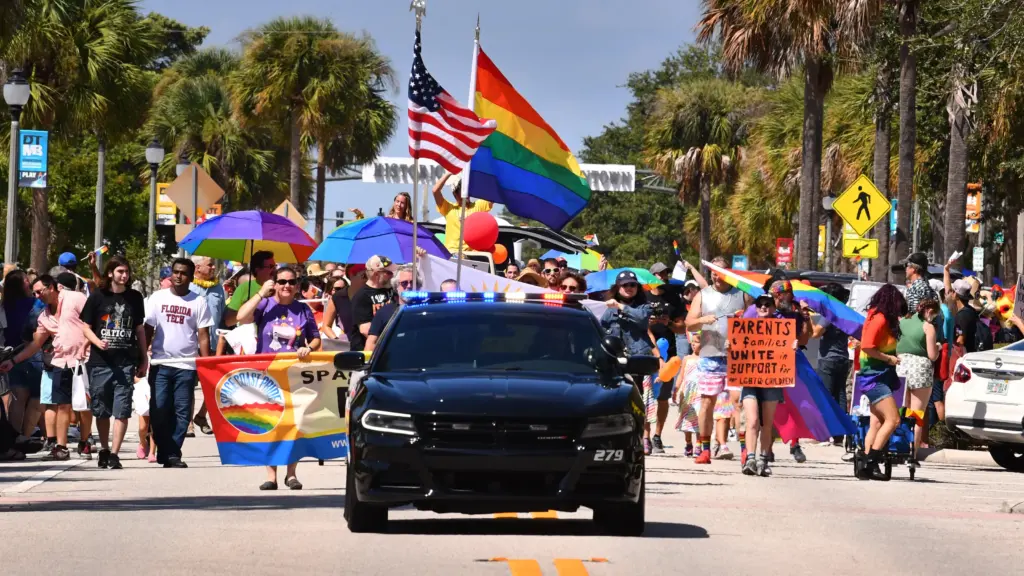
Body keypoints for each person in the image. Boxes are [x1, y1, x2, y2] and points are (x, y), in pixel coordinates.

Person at [237, 266, 321, 490]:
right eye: (282, 281)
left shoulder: (303, 310)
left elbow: (315, 339)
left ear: (297, 285)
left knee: (293, 425)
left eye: (291, 282)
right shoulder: (265, 305)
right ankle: (271, 475)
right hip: (266, 374)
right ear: (274, 283)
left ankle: (291, 474)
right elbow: (240, 317)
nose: (286, 286)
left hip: (293, 374)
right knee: (269, 424)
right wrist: (260, 294)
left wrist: (308, 349)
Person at [1, 274, 93, 460]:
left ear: (52, 287)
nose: (36, 296)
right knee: (62, 405)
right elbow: (35, 344)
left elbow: (93, 322)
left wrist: (89, 343)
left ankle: (84, 441)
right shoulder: (44, 316)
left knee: (84, 405)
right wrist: (13, 361)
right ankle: (61, 447)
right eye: (34, 293)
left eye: (39, 292)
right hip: (60, 361)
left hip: (83, 360)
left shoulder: (75, 298)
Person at [79, 255, 148, 470]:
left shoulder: (135, 298)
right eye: (120, 272)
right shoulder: (98, 297)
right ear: (110, 273)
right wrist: (96, 342)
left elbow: (139, 330)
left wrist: (144, 357)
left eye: (126, 272)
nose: (124, 276)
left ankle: (115, 454)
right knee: (101, 410)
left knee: (122, 409)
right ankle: (104, 448)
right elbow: (85, 326)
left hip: (125, 362)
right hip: (100, 363)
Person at [145, 259, 213, 468]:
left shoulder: (199, 302)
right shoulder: (157, 298)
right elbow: (148, 329)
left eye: (183, 273)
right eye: (175, 272)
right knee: (159, 410)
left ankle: (173, 453)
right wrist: (141, 357)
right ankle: (165, 449)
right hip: (161, 363)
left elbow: (203, 336)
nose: (178, 276)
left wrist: (205, 364)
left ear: (191, 278)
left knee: (182, 412)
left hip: (186, 365)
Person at [685, 257, 747, 464]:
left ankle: (745, 448)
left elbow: (756, 322)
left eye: (719, 271)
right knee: (706, 402)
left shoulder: (742, 295)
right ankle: (704, 449)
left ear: (728, 273)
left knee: (739, 403)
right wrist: (703, 320)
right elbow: (689, 324)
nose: (715, 275)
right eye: (712, 271)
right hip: (710, 355)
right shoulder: (703, 295)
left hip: (736, 357)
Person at [599, 270, 656, 454]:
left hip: (637, 360)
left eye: (633, 285)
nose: (629, 288)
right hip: (614, 361)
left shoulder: (644, 307)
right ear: (618, 287)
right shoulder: (608, 310)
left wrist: (621, 307)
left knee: (637, 401)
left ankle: (641, 437)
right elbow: (602, 329)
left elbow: (641, 320)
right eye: (625, 285)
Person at [856, 284, 907, 481]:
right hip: (874, 376)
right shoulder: (879, 318)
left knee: (876, 422)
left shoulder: (875, 316)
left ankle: (865, 465)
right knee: (893, 420)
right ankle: (871, 462)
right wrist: (889, 359)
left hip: (880, 374)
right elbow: (867, 347)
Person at [741, 294, 795, 477]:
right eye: (760, 305)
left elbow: (789, 355)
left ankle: (763, 459)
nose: (763, 307)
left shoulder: (783, 329)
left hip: (772, 381)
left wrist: (792, 347)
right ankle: (749, 458)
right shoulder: (745, 328)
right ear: (755, 308)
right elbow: (737, 350)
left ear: (773, 308)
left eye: (767, 305)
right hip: (749, 379)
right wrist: (731, 345)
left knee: (767, 424)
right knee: (752, 420)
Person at [896, 298, 940, 468]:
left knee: (901, 410)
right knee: (916, 414)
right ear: (929, 311)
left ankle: (897, 446)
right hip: (920, 368)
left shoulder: (904, 322)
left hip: (901, 366)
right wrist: (938, 347)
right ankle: (911, 454)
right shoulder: (928, 327)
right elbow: (931, 355)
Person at [3, 269, 44, 438]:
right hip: (33, 353)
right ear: (23, 284)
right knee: (38, 397)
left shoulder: (4, 306)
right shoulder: (35, 304)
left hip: (10, 354)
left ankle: (14, 436)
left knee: (18, 398)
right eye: (26, 280)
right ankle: (27, 435)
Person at [189, 255, 226, 436]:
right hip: (190, 345)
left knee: (213, 384)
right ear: (197, 268)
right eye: (209, 265)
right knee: (188, 384)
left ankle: (202, 415)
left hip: (213, 344)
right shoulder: (187, 287)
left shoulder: (218, 288)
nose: (213, 268)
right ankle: (187, 421)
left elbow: (224, 316)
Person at [813, 283, 853, 445]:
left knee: (826, 396)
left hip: (828, 359)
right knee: (840, 395)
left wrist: (809, 319)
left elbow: (816, 333)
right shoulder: (845, 312)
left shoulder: (829, 313)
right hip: (843, 357)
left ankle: (824, 434)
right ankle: (839, 435)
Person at [433, 172, 493, 253]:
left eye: (467, 189)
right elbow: (435, 191)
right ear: (455, 193)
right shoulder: (448, 208)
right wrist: (449, 173)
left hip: (471, 255)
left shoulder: (478, 206)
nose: (466, 193)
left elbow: (492, 193)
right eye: (462, 189)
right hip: (452, 253)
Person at [365, 266, 420, 353]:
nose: (409, 286)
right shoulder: (384, 312)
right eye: (404, 283)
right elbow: (371, 343)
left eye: (413, 283)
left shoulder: (428, 310)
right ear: (396, 286)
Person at [349, 256, 396, 352]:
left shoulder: (392, 291)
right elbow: (365, 330)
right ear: (376, 274)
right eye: (388, 273)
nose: (392, 275)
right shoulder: (361, 296)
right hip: (366, 352)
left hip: (387, 347)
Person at [223, 251, 276, 328]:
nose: (274, 270)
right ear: (257, 269)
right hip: (249, 337)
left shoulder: (280, 287)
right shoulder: (244, 288)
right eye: (271, 266)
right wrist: (248, 308)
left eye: (275, 266)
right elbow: (229, 321)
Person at [673, 331, 702, 457]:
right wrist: (676, 389)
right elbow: (681, 375)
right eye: (693, 342)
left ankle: (699, 444)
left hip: (700, 392)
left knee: (700, 418)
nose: (694, 345)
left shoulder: (705, 359)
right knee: (686, 419)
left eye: (697, 342)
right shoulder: (687, 358)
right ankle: (688, 443)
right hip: (687, 392)